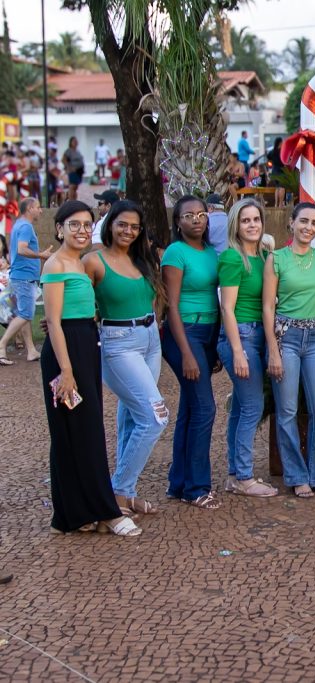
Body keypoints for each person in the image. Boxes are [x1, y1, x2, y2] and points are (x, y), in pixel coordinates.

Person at [41, 200, 141, 536]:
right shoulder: (56, 265)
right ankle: (100, 509)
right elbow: (53, 322)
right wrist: (67, 371)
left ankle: (78, 513)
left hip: (86, 341)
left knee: (83, 429)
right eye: (75, 225)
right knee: (75, 431)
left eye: (87, 224)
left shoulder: (81, 263)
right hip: (66, 351)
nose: (82, 230)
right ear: (60, 229)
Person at [83, 200, 167, 516]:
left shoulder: (140, 259)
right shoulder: (93, 261)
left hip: (149, 340)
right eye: (122, 224)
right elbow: (76, 299)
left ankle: (126, 491)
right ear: (110, 224)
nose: (128, 231)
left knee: (133, 415)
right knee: (155, 416)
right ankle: (118, 491)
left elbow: (152, 298)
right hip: (118, 343)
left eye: (134, 226)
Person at [263, 203, 315, 499]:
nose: (309, 228)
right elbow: (267, 307)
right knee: (288, 411)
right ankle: (295, 474)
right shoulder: (277, 259)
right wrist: (273, 351)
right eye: (303, 221)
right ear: (291, 223)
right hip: (285, 336)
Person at [161, 195, 221, 509]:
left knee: (190, 408)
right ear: (178, 221)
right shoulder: (175, 252)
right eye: (188, 215)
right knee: (205, 409)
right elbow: (170, 306)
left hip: (209, 334)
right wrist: (186, 353)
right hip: (184, 333)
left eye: (201, 214)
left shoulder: (212, 252)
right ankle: (197, 487)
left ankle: (179, 483)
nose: (196, 220)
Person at [217, 198, 278, 498]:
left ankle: (234, 474)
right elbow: (227, 309)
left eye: (256, 219)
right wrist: (238, 350)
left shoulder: (265, 254)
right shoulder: (232, 258)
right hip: (241, 335)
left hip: (258, 334)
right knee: (253, 406)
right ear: (235, 226)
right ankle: (244, 476)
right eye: (245, 221)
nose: (252, 225)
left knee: (241, 407)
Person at [0, 198, 49, 365]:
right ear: (29, 208)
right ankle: (2, 345)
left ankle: (31, 350)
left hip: (19, 276)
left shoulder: (18, 225)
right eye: (38, 207)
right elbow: (21, 249)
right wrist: (41, 255)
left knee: (23, 313)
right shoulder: (26, 226)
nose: (41, 210)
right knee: (26, 314)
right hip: (24, 277)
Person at [61, 137, 85, 201]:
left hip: (79, 171)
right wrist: (69, 167)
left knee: (75, 187)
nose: (75, 142)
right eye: (74, 141)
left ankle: (74, 200)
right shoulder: (69, 151)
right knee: (72, 186)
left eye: (76, 141)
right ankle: (71, 200)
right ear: (71, 142)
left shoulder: (77, 151)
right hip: (73, 171)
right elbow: (63, 160)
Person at [267, 137, 285, 206]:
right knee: (282, 188)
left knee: (277, 188)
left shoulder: (272, 151)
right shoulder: (282, 151)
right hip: (281, 171)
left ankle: (276, 204)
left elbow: (268, 156)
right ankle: (280, 204)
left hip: (274, 171)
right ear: (280, 142)